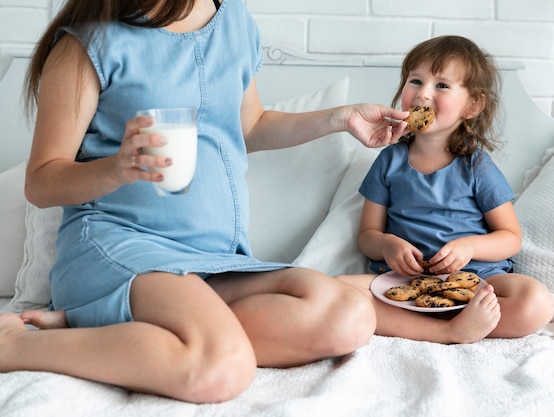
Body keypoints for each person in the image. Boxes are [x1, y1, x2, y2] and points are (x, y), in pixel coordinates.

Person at [0, 0, 411, 404]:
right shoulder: (90, 40)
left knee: (348, 316)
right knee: (221, 365)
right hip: (120, 247)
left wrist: (342, 119)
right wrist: (118, 168)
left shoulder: (232, 17)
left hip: (212, 260)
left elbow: (250, 125)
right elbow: (41, 181)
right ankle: (15, 347)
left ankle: (109, 329)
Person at [339, 36, 554, 344]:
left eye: (441, 85)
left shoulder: (476, 165)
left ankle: (460, 319)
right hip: (403, 283)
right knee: (336, 290)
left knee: (536, 301)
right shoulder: (389, 161)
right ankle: (445, 331)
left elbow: (510, 238)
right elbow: (367, 236)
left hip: (478, 282)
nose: (423, 94)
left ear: (473, 105)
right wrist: (387, 245)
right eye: (415, 80)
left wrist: (469, 248)